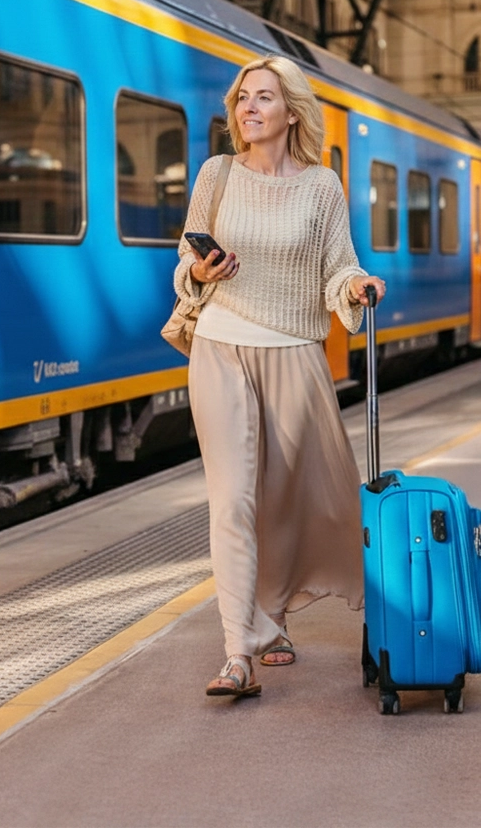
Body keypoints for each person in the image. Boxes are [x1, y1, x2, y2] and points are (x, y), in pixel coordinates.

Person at [173, 55, 385, 698]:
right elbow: (187, 259)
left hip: (293, 349)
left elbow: (336, 268)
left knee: (286, 498)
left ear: (290, 110)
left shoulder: (322, 186)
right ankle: (238, 651)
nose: (249, 107)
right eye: (242, 97)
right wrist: (202, 273)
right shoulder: (216, 174)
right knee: (232, 499)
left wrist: (357, 285)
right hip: (220, 345)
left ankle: (275, 618)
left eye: (264, 97)